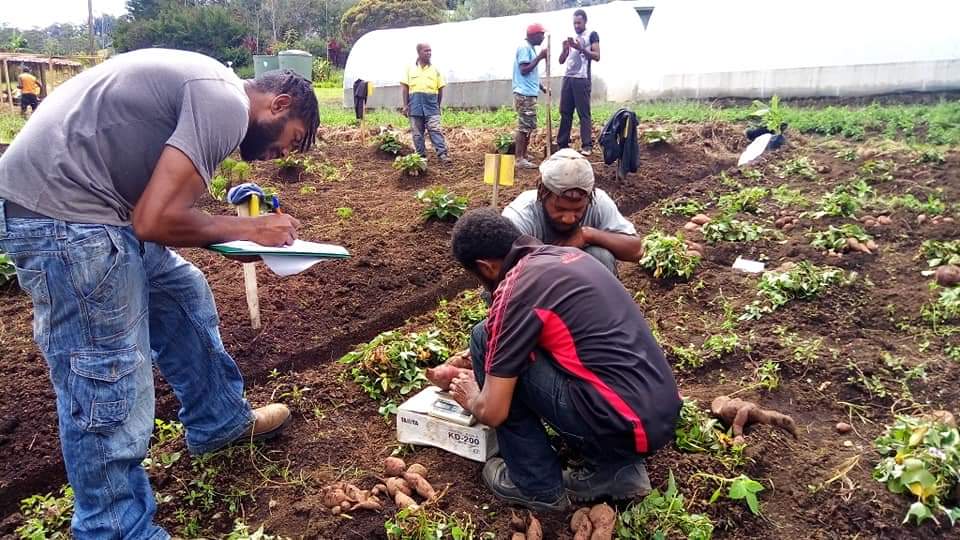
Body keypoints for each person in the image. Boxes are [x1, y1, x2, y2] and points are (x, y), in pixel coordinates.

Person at [0, 49, 319, 539]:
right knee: (107, 372)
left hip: (96, 209)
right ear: (277, 104)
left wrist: (238, 235)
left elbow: (153, 216)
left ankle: (218, 420)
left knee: (181, 292)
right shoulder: (225, 103)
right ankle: (115, 529)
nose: (280, 156)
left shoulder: (211, 88)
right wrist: (249, 228)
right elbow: (155, 221)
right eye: (290, 141)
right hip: (66, 220)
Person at [428, 208, 681, 511]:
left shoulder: (516, 289)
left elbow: (493, 413)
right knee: (498, 343)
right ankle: (618, 468)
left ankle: (535, 484)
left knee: (483, 336)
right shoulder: (567, 258)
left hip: (620, 424)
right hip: (657, 418)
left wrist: (472, 397)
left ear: (486, 267)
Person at [502, 148, 642, 276]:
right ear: (542, 195)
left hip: (582, 292)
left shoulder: (598, 202)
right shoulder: (522, 214)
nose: (568, 219)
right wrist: (553, 258)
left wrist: (587, 234)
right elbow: (501, 269)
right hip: (534, 288)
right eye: (560, 209)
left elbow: (636, 251)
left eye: (578, 209)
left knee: (600, 256)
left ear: (588, 198)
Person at [557, 9, 600, 156]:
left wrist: (580, 48)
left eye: (579, 23)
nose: (576, 25)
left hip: (582, 79)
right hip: (568, 78)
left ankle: (587, 145)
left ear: (585, 22)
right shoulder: (572, 38)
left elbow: (597, 56)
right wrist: (565, 50)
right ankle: (562, 144)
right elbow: (561, 60)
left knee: (583, 113)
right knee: (565, 112)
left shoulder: (591, 35)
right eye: (574, 23)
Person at [401, 43, 450, 163]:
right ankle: (421, 157)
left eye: (430, 51)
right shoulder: (410, 69)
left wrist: (437, 106)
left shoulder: (435, 70)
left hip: (431, 106)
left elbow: (440, 89)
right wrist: (405, 105)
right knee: (417, 133)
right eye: (426, 51)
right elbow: (405, 88)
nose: (429, 53)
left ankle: (442, 155)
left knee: (435, 130)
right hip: (415, 105)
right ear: (419, 52)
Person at [513, 23, 550, 169]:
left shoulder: (530, 49)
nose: (543, 38)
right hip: (524, 94)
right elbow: (524, 70)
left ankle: (524, 154)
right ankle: (519, 158)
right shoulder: (524, 48)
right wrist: (540, 57)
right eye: (541, 35)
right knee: (523, 126)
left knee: (528, 125)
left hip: (529, 92)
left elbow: (532, 74)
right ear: (534, 35)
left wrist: (542, 87)